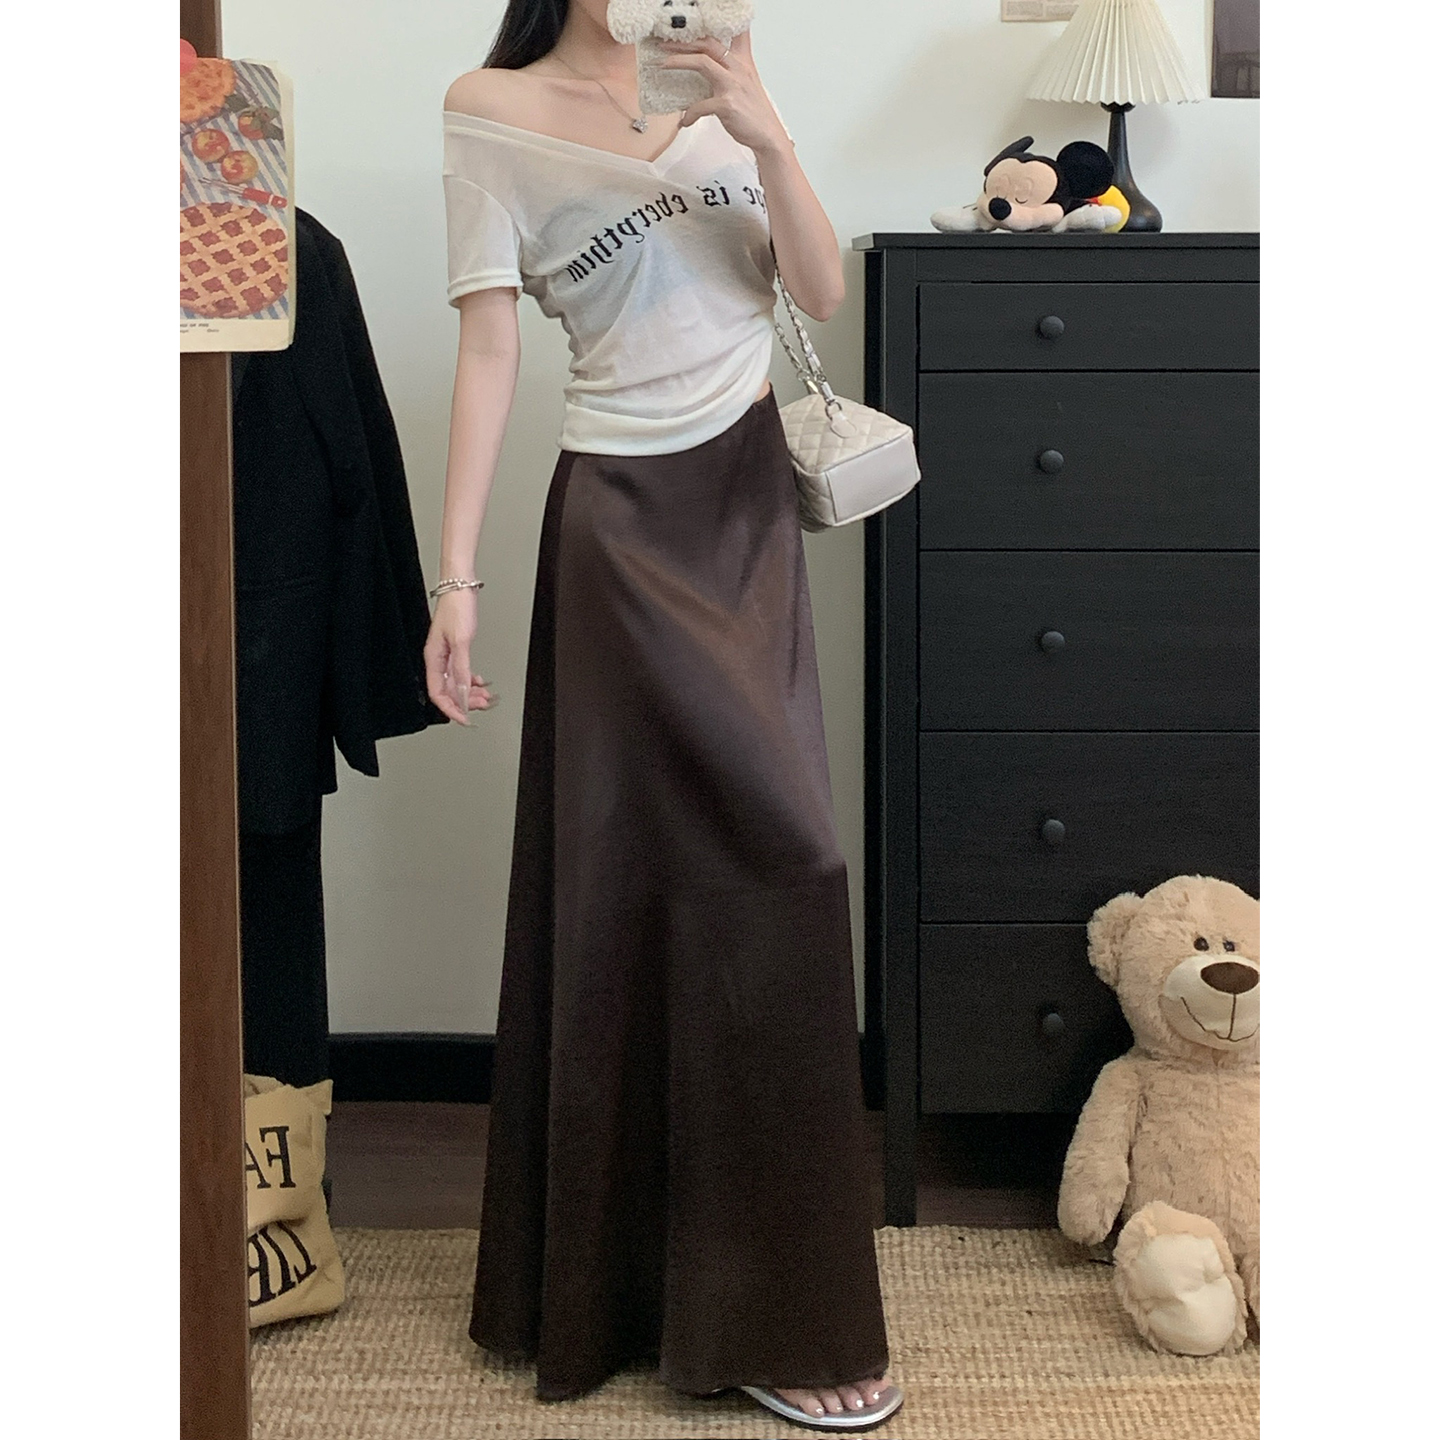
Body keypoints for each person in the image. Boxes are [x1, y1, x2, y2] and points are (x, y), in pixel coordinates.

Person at [423, 2, 902, 1430]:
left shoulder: (722, 83)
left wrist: (765, 129)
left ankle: (766, 1303)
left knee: (785, 867)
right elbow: (491, 350)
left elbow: (816, 289)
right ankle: (646, 1295)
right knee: (634, 889)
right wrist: (456, 581)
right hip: (619, 529)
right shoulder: (487, 110)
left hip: (745, 508)